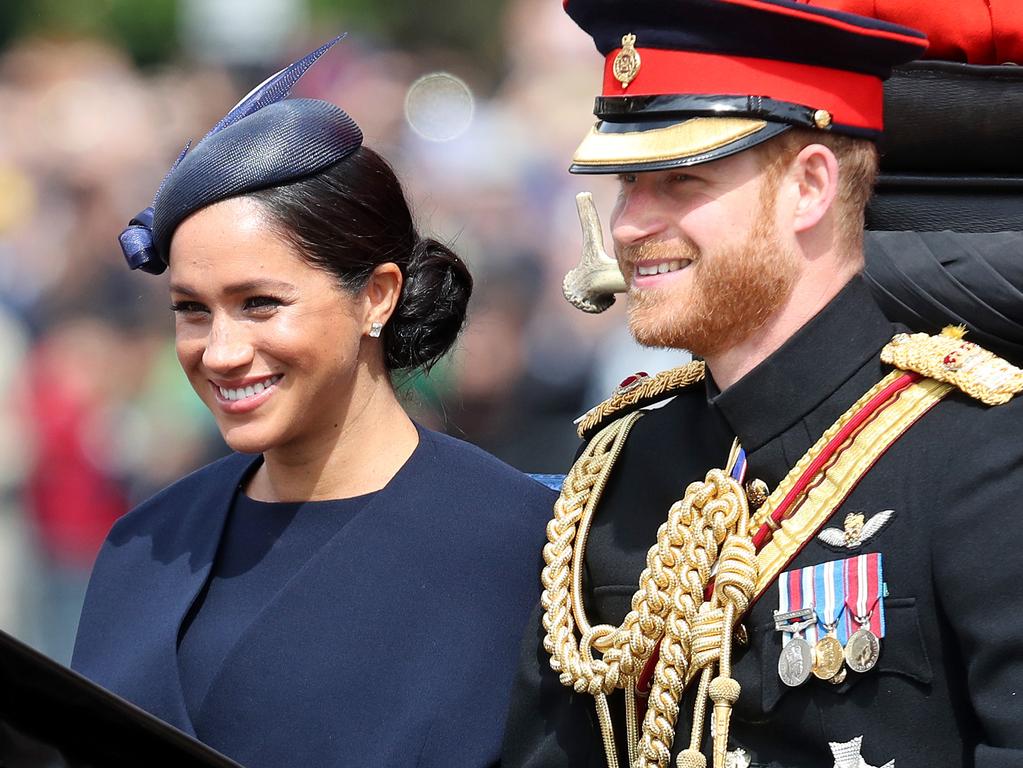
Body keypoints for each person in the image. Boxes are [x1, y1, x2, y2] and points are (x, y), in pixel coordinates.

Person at [501, 2, 1023, 767]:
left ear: (809, 186)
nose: (628, 225)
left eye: (678, 180)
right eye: (625, 184)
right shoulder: (617, 468)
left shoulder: (981, 461)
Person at [71, 38, 556, 768]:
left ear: (376, 297)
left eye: (260, 304)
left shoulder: (519, 548)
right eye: (192, 310)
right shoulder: (145, 543)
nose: (220, 350)